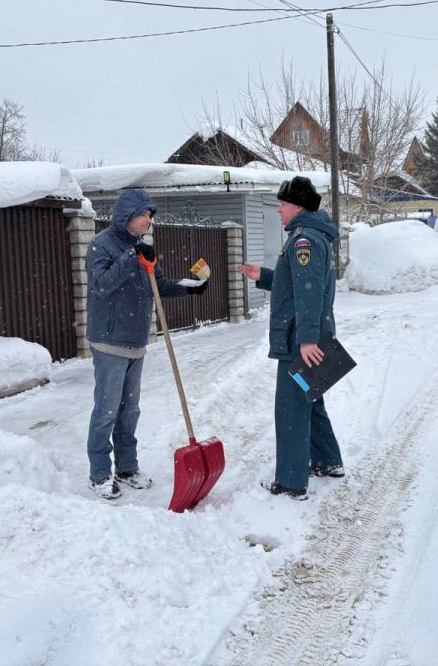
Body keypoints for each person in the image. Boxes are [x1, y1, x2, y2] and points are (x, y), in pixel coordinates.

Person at [85, 188, 208, 500]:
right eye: (144, 214)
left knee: (130, 412)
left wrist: (188, 288)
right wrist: (131, 258)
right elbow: (101, 285)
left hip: (136, 341)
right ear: (128, 215)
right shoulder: (102, 245)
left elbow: (158, 286)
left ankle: (127, 468)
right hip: (109, 341)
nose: (149, 220)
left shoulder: (142, 247)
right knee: (106, 410)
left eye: (151, 215)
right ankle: (99, 473)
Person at [237, 176, 343, 501]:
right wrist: (264, 276)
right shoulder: (311, 237)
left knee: (292, 410)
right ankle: (327, 462)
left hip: (301, 340)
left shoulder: (303, 242)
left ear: (297, 206)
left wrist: (306, 340)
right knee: (311, 403)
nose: (279, 209)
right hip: (313, 334)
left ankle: (291, 483)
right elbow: (295, 285)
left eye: (283, 203)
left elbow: (309, 294)